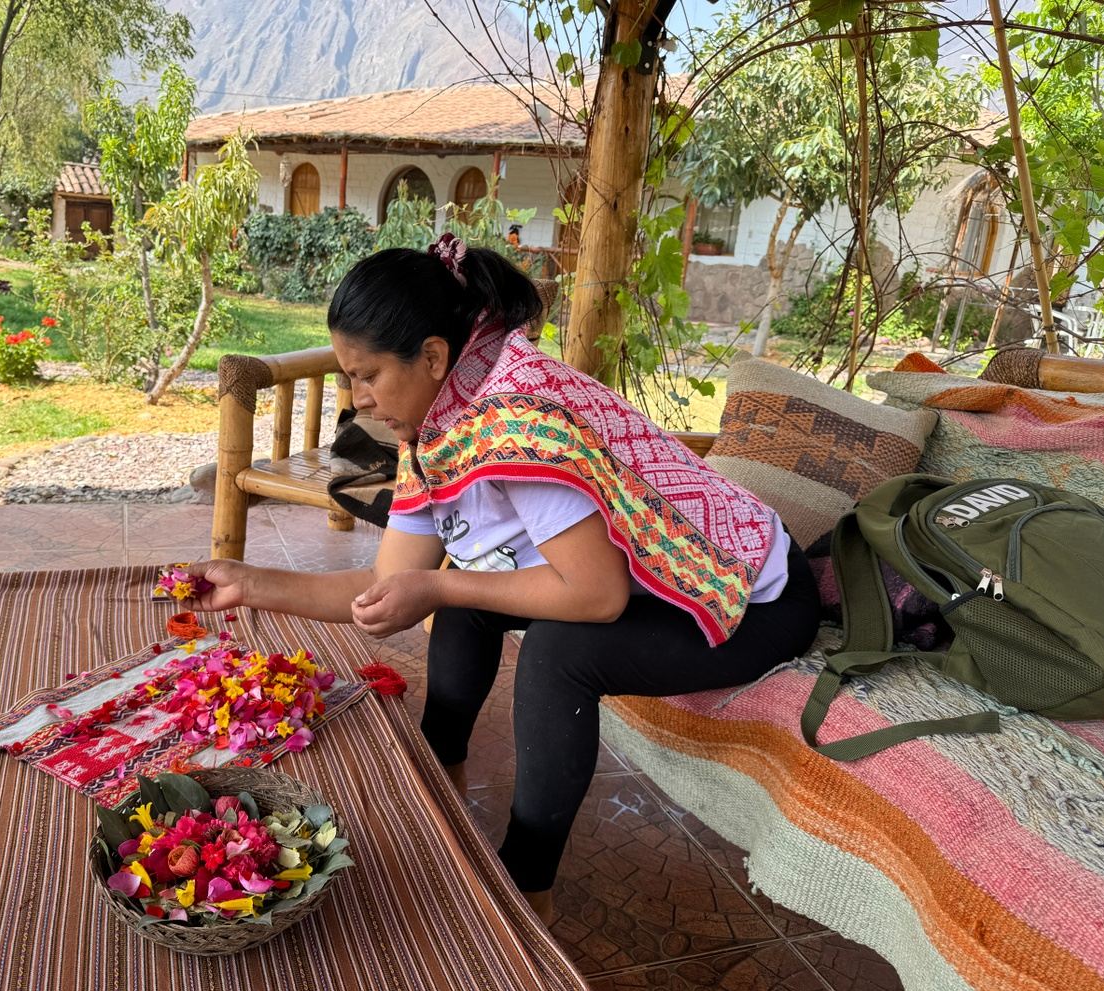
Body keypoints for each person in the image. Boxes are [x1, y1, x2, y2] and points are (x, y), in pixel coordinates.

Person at [186, 234, 821, 924]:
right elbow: (387, 585)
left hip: (749, 600)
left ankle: (528, 891)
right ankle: (442, 778)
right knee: (462, 600)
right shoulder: (435, 427)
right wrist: (249, 583)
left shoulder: (517, 421)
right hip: (661, 587)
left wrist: (440, 586)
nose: (358, 400)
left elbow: (595, 596)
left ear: (431, 355)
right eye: (348, 378)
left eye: (365, 375)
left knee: (552, 652)